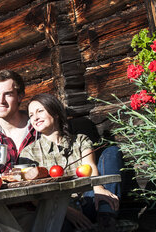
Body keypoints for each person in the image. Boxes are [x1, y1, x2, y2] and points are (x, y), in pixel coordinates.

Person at [18, 93, 123, 232]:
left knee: (112, 152)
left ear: (55, 113)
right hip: (58, 212)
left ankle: (106, 221)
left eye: (40, 111)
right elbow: (32, 196)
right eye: (31, 115)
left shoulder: (80, 140)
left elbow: (89, 166)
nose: (35, 118)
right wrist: (67, 211)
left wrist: (98, 189)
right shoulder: (28, 153)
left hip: (90, 202)